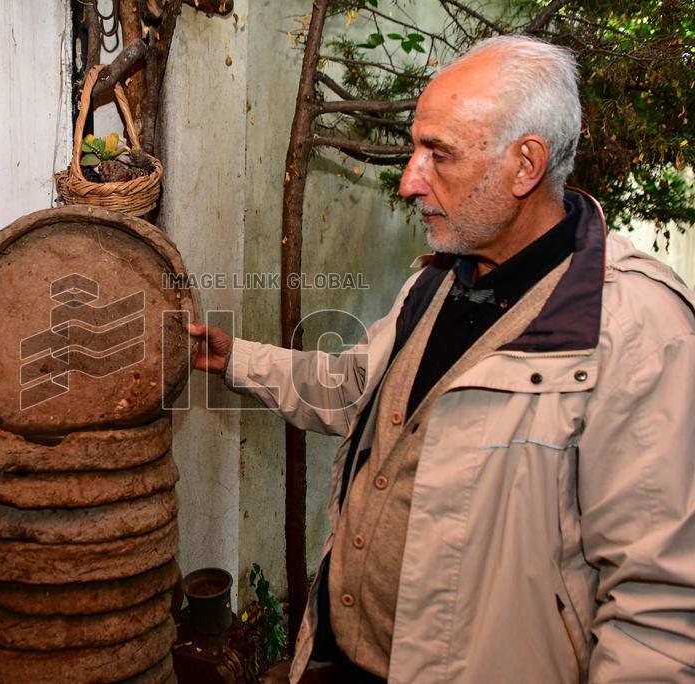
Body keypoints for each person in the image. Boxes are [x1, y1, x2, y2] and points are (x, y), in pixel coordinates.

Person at [188, 35, 695, 683]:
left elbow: (660, 610)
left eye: (440, 154)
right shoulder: (436, 283)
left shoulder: (636, 330)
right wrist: (237, 359)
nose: (409, 180)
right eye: (413, 149)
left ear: (525, 164)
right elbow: (355, 390)